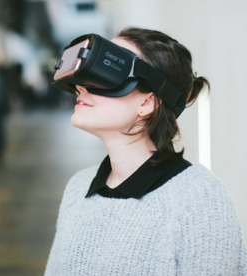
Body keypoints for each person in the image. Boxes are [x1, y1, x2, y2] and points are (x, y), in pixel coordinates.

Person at [45, 27, 247, 275]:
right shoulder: (78, 187)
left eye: (107, 71)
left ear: (147, 102)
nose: (81, 87)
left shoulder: (201, 199)